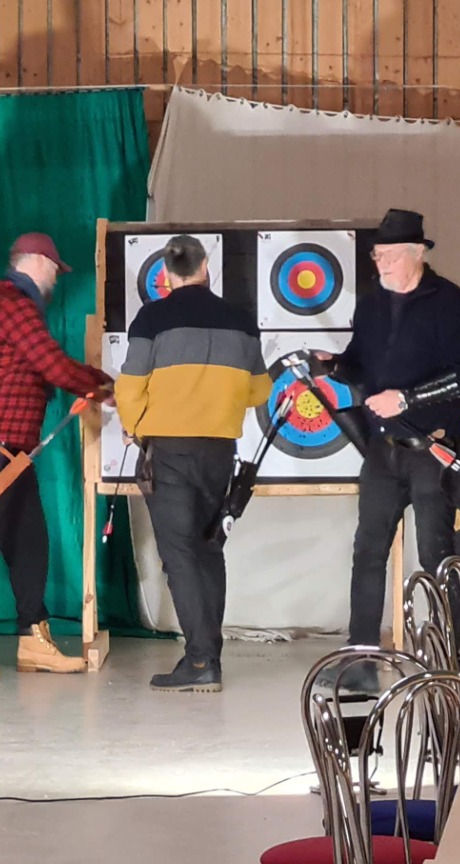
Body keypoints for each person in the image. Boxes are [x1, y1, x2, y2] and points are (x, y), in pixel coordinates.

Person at [317, 210, 460, 687]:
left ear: (418, 254)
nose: (382, 265)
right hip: (382, 449)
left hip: (432, 449)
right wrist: (334, 366)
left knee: (436, 554)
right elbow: (362, 365)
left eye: (391, 256)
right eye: (377, 256)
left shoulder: (449, 301)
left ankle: (447, 661)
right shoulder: (371, 305)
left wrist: (407, 399)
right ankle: (360, 664)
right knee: (368, 551)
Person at [0, 233, 114, 682]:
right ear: (36, 261)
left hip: (13, 451)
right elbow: (52, 366)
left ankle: (33, 638)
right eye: (54, 267)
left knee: (30, 542)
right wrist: (103, 385)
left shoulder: (13, 306)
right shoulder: (11, 307)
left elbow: (42, 367)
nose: (56, 277)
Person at [115, 236, 270, 693]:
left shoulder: (152, 318)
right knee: (208, 549)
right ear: (206, 267)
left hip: (169, 450)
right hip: (219, 450)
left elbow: (130, 386)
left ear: (166, 274)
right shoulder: (240, 321)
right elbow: (260, 390)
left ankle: (201, 661)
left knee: (179, 554)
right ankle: (209, 657)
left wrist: (134, 427)